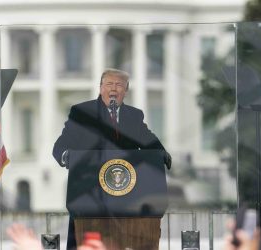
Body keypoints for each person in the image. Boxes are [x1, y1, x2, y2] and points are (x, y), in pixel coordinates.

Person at [53, 68, 172, 250]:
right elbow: (61, 145)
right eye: (109, 84)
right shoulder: (81, 112)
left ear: (126, 90)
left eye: (119, 85)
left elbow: (147, 139)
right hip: (88, 196)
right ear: (101, 88)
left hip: (126, 197)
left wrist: (161, 154)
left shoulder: (134, 115)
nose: (114, 89)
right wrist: (67, 155)